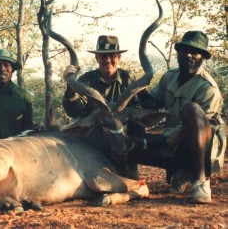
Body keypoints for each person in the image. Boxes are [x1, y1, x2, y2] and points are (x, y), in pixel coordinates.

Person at [117, 30, 226, 204]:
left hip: (201, 152)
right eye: (184, 50)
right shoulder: (170, 77)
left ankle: (199, 181)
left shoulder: (208, 88)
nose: (188, 55)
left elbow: (190, 129)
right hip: (175, 145)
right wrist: (142, 92)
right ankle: (180, 172)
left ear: (203, 57)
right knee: (130, 140)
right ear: (178, 53)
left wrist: (153, 140)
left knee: (191, 110)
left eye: (194, 52)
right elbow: (153, 104)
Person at [62, 35, 141, 177]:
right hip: (94, 138)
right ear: (96, 58)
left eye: (112, 56)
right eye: (103, 57)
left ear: (119, 57)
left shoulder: (127, 79)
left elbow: (138, 111)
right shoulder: (85, 80)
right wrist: (69, 86)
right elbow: (74, 111)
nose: (108, 60)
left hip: (120, 139)